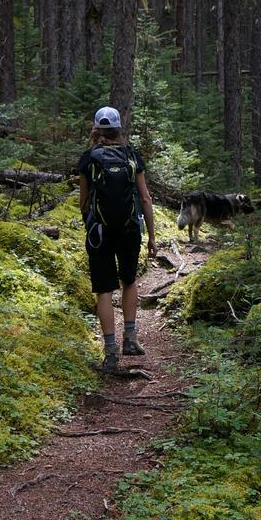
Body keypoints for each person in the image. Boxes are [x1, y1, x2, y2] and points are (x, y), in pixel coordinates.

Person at [78, 106, 157, 374]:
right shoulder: (132, 156)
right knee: (129, 281)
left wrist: (89, 225)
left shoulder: (89, 158)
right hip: (129, 229)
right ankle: (131, 339)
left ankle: (110, 352)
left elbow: (83, 201)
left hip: (98, 232)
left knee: (104, 290)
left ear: (97, 129)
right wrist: (152, 237)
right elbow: (145, 198)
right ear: (119, 129)